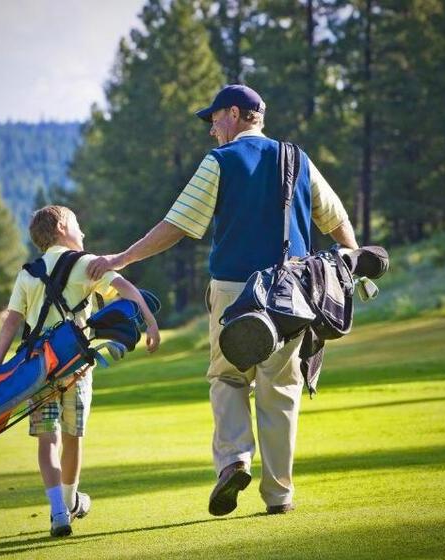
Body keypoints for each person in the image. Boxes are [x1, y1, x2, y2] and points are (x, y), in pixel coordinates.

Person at [87, 84, 358, 516]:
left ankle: (234, 460)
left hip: (236, 292)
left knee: (229, 377)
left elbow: (176, 224)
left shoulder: (220, 161)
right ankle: (279, 496)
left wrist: (121, 257)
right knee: (281, 391)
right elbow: (337, 219)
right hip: (293, 295)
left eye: (214, 119)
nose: (212, 129)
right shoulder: (297, 158)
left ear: (234, 114)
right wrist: (348, 270)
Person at [0, 205, 160, 537]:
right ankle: (71, 500)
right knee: (73, 436)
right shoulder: (85, 263)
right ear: (63, 226)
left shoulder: (28, 272)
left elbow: (11, 320)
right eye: (78, 226)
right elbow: (125, 288)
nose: (82, 233)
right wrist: (150, 322)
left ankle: (57, 511)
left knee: (47, 440)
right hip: (76, 368)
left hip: (37, 367)